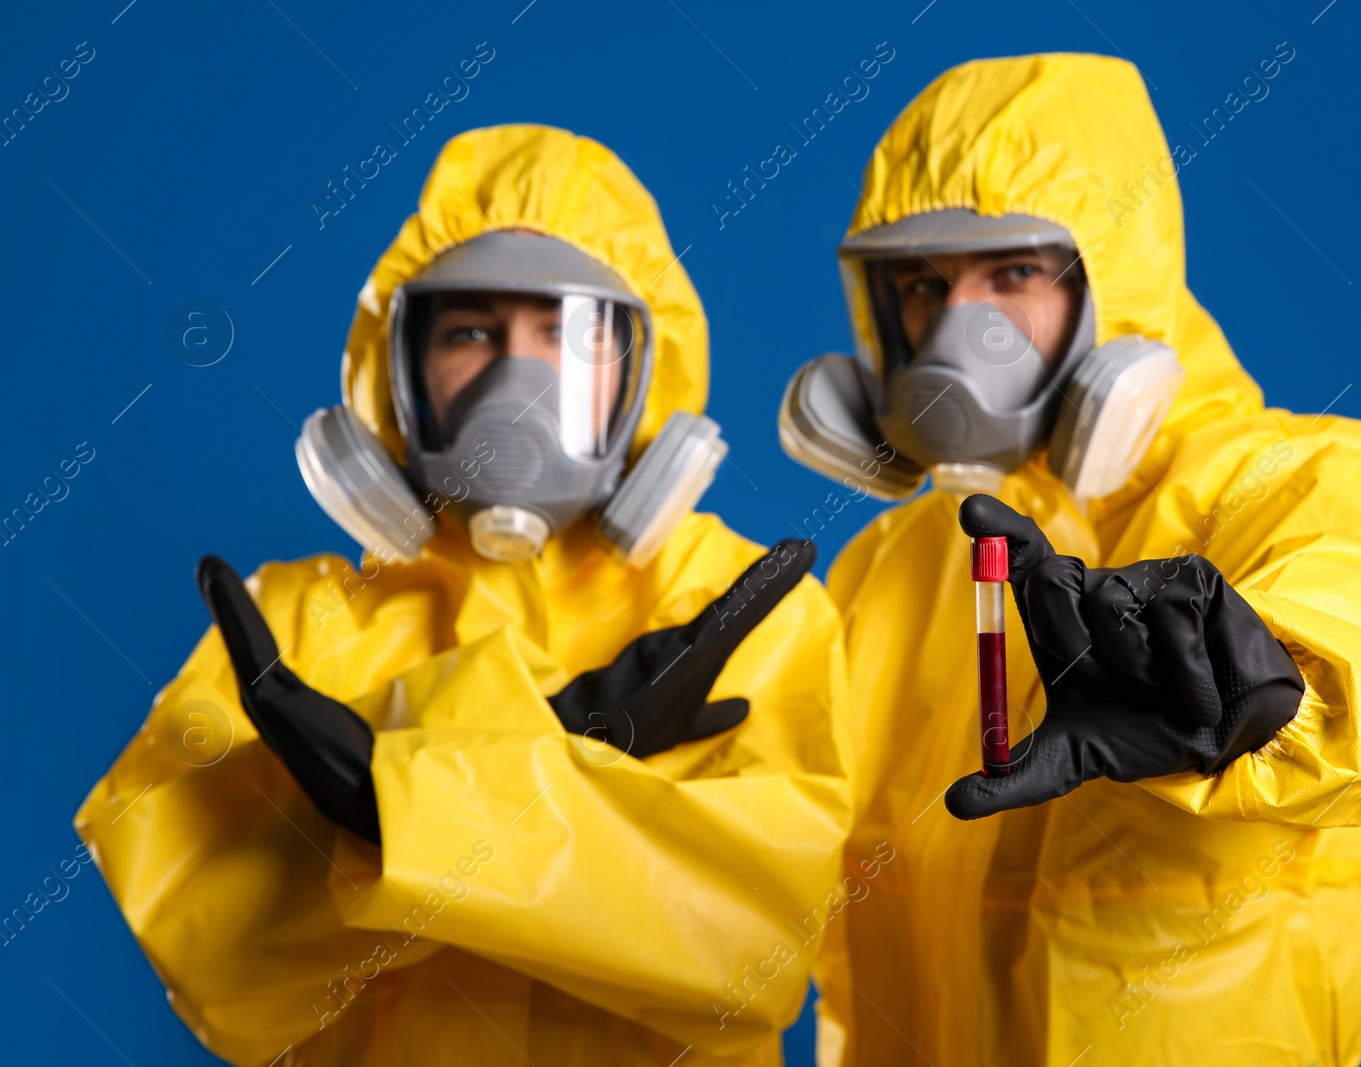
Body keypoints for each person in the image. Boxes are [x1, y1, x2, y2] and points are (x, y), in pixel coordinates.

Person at [778, 54, 1361, 1065]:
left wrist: (1263, 677)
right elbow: (769, 863)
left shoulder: (1291, 481)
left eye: (1014, 274)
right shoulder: (890, 568)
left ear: (1112, 278)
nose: (959, 328)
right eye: (921, 284)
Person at [76, 125, 852, 1067]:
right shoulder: (292, 622)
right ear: (399, 371)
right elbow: (215, 968)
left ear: (641, 371)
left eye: (568, 335)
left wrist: (389, 802)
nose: (517, 382)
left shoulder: (737, 611)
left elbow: (754, 947)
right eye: (471, 331)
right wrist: (561, 766)